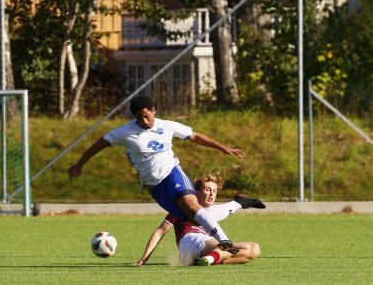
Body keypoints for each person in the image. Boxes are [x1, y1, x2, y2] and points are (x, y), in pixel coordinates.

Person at [68, 95, 243, 252]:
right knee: (193, 219)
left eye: (147, 116)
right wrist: (79, 164)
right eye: (139, 118)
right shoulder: (125, 132)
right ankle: (238, 203)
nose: (144, 121)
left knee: (192, 206)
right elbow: (101, 143)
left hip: (172, 172)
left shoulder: (166, 126)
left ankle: (224, 241)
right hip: (153, 185)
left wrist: (222, 147)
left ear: (153, 110)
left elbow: (195, 136)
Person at [135, 173, 265, 266]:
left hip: (207, 245)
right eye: (207, 189)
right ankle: (239, 203)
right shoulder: (184, 207)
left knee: (254, 249)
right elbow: (160, 231)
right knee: (225, 246)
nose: (211, 194)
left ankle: (209, 260)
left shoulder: (212, 213)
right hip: (190, 240)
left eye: (214, 191)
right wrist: (145, 257)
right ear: (196, 192)